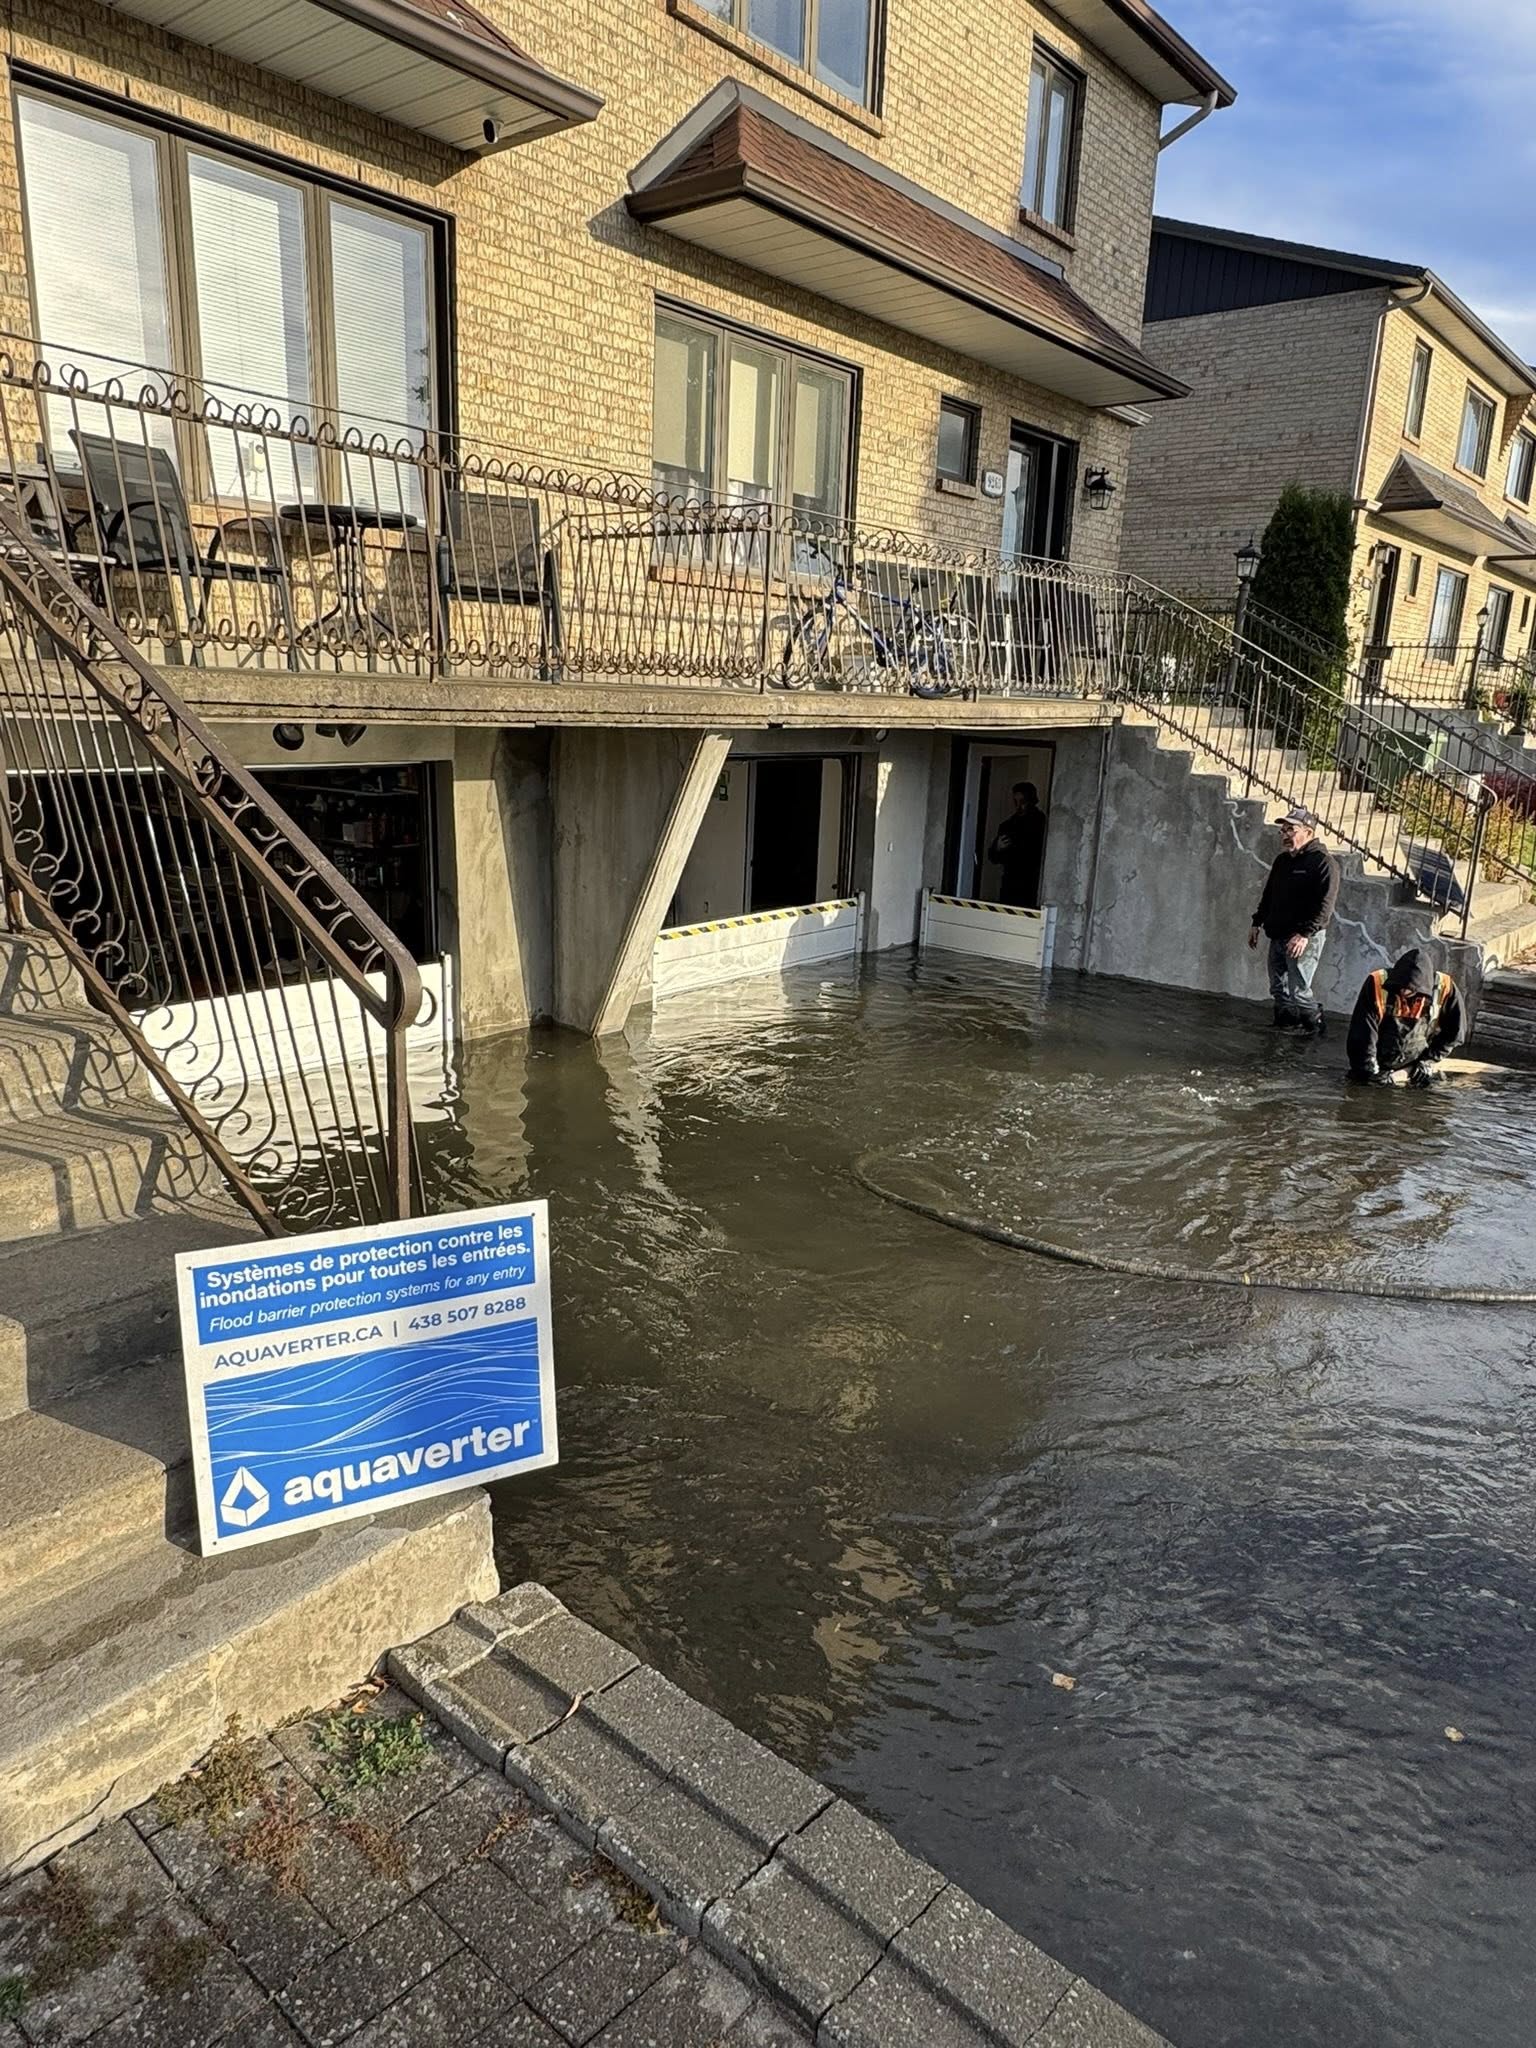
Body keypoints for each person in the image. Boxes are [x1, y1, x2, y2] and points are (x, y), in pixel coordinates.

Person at [1248, 806, 1340, 1033]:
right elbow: (1269, 895)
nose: (1285, 835)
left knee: (1299, 988)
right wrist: (1256, 923)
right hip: (1278, 933)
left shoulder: (1323, 863)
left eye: (1291, 829)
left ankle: (1314, 1025)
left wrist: (1305, 935)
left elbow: (1325, 906)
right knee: (1278, 987)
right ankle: (1285, 1024)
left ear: (1308, 832)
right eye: (1283, 830)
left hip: (1303, 937)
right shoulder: (1282, 862)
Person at [1347, 948, 1465, 1086]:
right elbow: (1362, 1033)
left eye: (1410, 990)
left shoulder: (1445, 987)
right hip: (1379, 1061)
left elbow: (1455, 1033)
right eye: (1400, 988)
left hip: (1416, 1066)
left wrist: (1428, 1061)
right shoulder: (1377, 982)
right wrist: (1368, 1069)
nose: (1404, 992)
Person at [988, 783, 1047, 908]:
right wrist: (997, 848)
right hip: (1010, 883)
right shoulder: (1008, 825)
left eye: (1023, 801)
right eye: (1016, 802)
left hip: (1032, 884)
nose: (1019, 806)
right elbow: (993, 857)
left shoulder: (1041, 823)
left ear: (1031, 801)